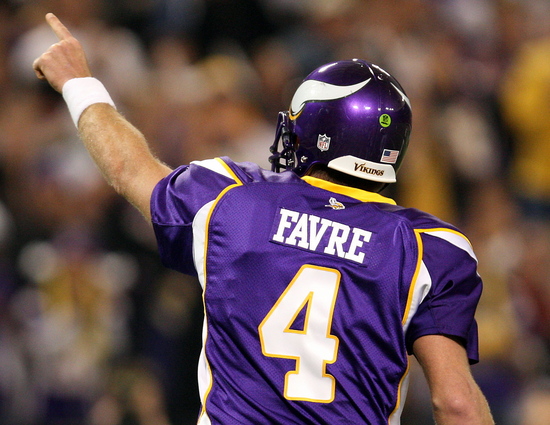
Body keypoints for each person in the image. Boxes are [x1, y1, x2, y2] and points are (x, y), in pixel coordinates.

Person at [33, 13, 495, 425]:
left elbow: (128, 168)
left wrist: (79, 82)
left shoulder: (232, 196)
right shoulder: (430, 248)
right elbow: (455, 403)